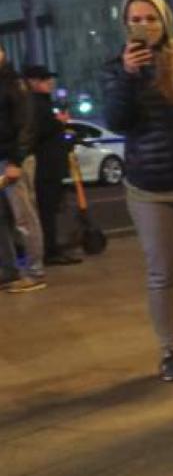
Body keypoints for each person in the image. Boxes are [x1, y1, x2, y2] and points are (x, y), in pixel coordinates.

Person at [102, 0, 173, 381]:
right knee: (160, 273)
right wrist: (128, 78)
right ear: (126, 24)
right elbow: (117, 121)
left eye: (151, 18)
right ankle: (170, 352)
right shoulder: (117, 68)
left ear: (164, 20)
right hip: (147, 185)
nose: (144, 25)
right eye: (136, 19)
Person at [21, 65, 79, 266]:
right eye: (45, 80)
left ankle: (50, 248)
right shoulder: (34, 103)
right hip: (44, 166)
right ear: (32, 82)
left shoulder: (41, 102)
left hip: (50, 165)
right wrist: (58, 123)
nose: (50, 83)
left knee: (49, 209)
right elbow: (37, 131)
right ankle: (49, 250)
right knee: (45, 210)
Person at [0, 44, 45, 292]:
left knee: (24, 218)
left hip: (12, 160)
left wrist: (16, 161)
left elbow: (26, 124)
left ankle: (36, 272)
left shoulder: (14, 84)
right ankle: (9, 271)